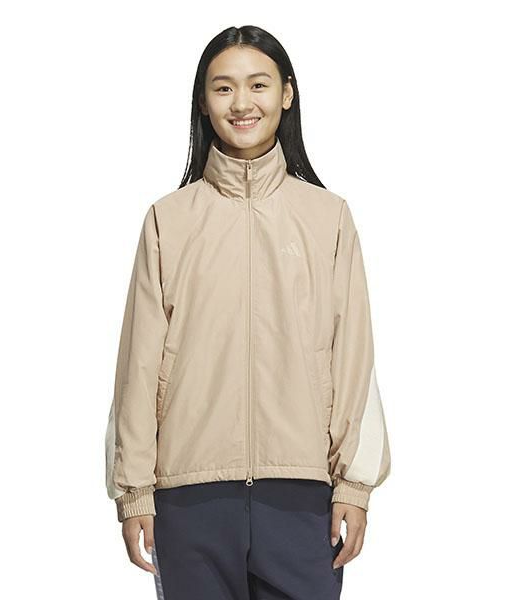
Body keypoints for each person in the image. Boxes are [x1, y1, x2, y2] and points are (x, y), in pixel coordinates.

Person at [105, 25, 391, 600]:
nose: (241, 103)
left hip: (303, 495)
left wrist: (353, 487)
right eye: (223, 88)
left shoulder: (328, 218)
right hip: (189, 493)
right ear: (203, 102)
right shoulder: (168, 220)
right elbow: (138, 364)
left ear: (287, 93)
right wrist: (134, 491)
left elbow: (353, 360)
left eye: (258, 85)